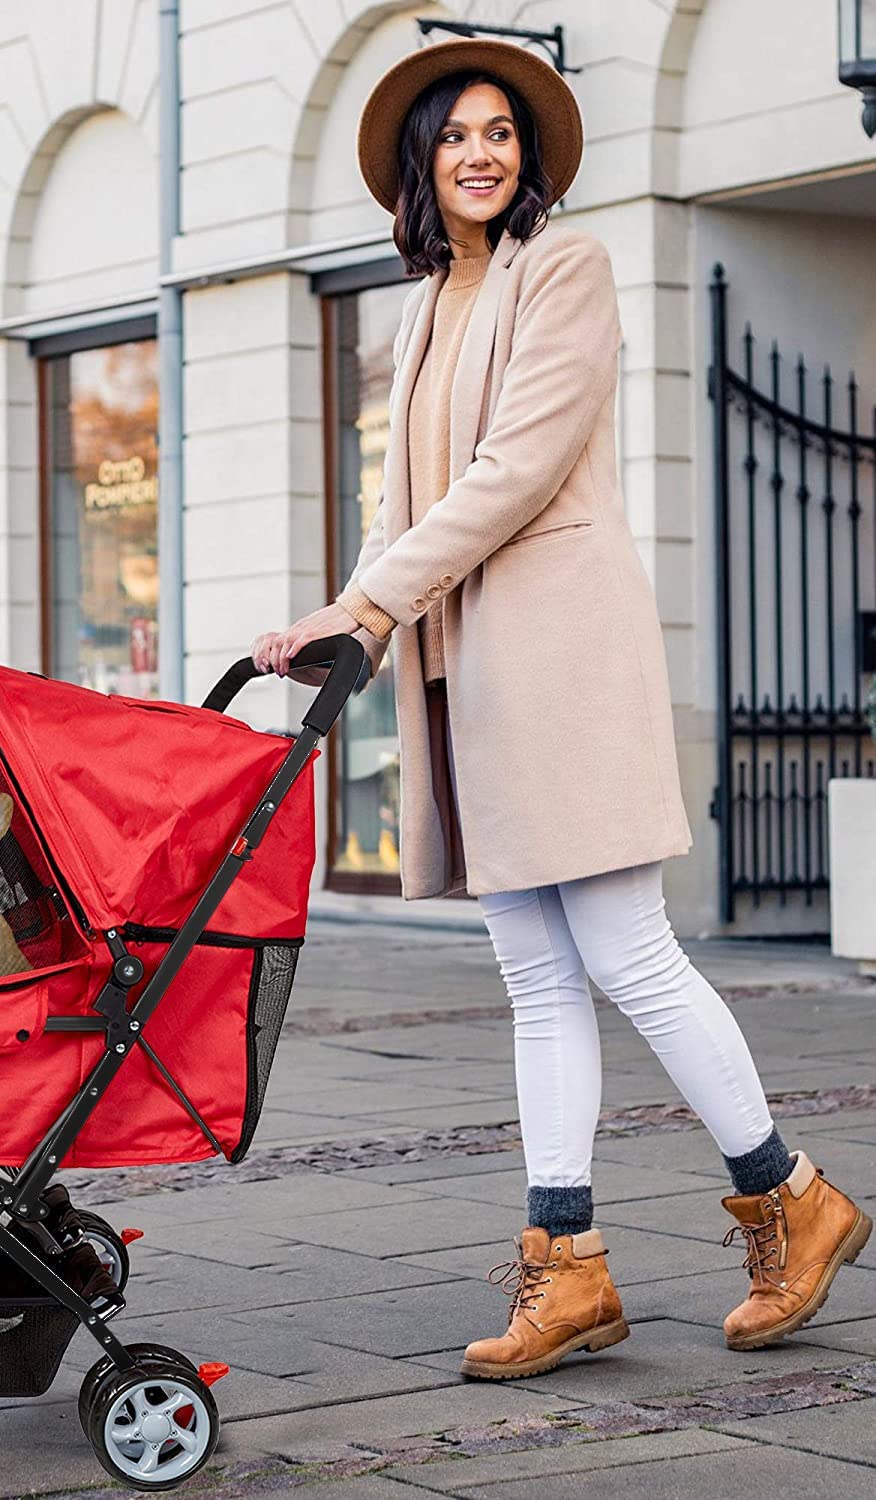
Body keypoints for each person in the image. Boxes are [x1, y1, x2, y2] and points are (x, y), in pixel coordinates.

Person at [252, 37, 871, 1381]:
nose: (484, 152)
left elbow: (514, 471)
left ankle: (794, 1197)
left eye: (503, 133)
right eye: (458, 134)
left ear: (526, 159)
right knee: (538, 974)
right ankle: (570, 1267)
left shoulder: (566, 272)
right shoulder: (423, 304)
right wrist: (344, 621)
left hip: (553, 661)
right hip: (465, 667)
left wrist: (364, 605)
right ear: (420, 161)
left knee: (625, 951)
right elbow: (415, 501)